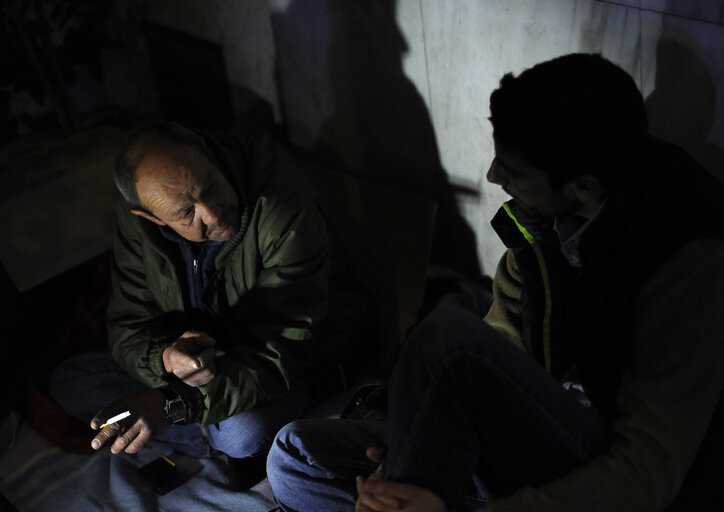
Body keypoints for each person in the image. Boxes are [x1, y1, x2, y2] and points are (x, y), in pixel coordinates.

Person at [265, 53, 724, 511]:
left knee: (447, 337)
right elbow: (495, 354)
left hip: (600, 481)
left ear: (582, 187)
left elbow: (646, 473)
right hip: (510, 450)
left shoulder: (686, 261)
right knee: (296, 457)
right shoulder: (549, 226)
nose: (492, 176)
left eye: (513, 170)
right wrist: (416, 446)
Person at [51, 121, 370, 466]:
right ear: (151, 217)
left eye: (211, 186)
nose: (213, 214)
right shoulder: (137, 224)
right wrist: (166, 359)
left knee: (240, 434)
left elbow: (286, 349)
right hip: (204, 372)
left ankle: (192, 431)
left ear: (209, 154)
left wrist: (173, 405)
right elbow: (128, 323)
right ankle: (199, 431)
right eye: (186, 213)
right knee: (71, 379)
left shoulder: (282, 211)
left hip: (292, 364)